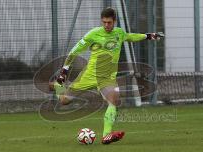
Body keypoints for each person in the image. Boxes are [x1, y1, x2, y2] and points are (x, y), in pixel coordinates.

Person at [50, 7, 160, 144]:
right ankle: (57, 86)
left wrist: (148, 36)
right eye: (104, 22)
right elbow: (74, 51)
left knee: (113, 101)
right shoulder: (93, 34)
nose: (106, 25)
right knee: (64, 101)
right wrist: (64, 72)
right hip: (90, 75)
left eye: (109, 22)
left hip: (107, 78)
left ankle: (106, 135)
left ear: (114, 21)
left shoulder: (119, 33)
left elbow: (130, 36)